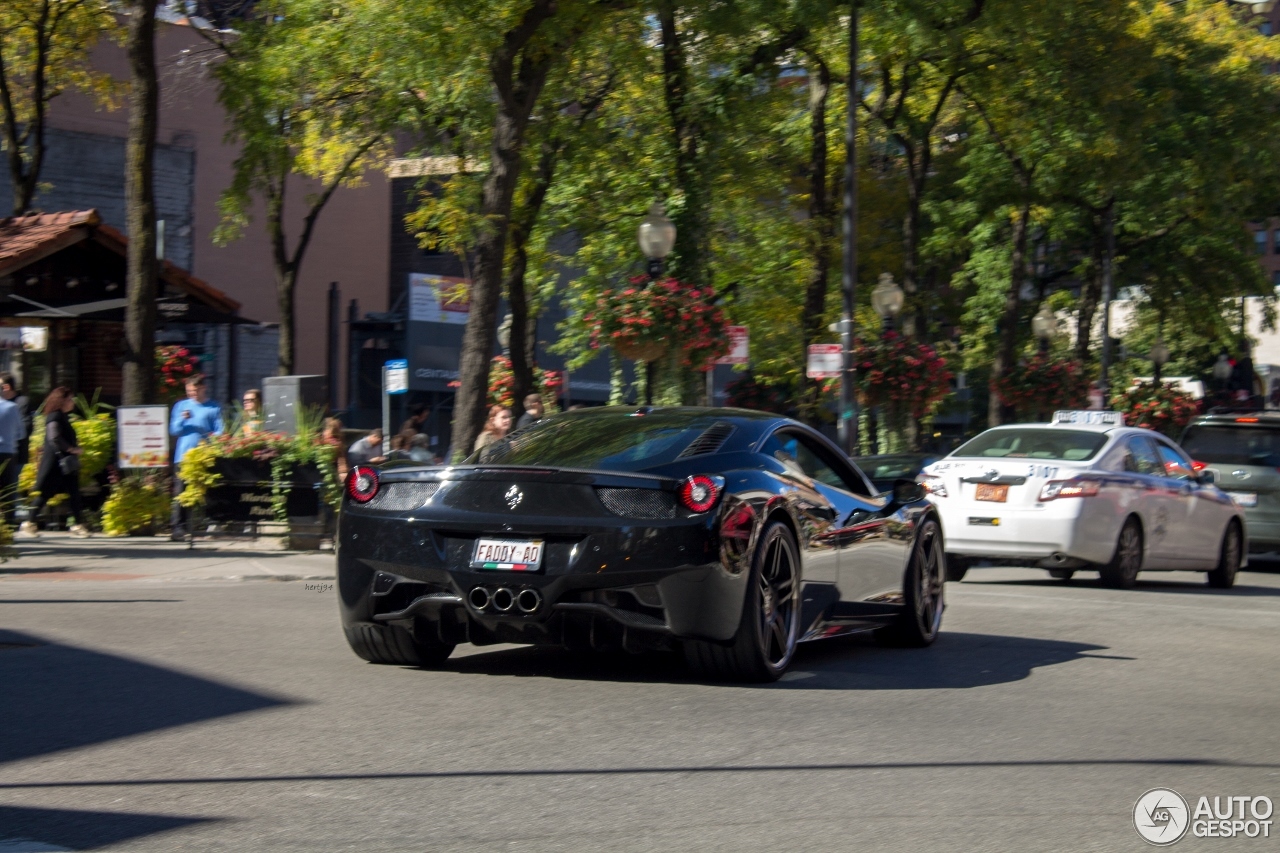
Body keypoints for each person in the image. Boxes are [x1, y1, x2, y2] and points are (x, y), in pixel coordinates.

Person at [21, 387, 89, 538]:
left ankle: (77, 525)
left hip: (64, 463)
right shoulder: (54, 416)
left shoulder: (62, 416)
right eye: (70, 399)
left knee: (73, 493)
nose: (72, 402)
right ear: (62, 400)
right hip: (57, 463)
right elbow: (54, 437)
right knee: (47, 493)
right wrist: (72, 449)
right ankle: (29, 523)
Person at [170, 375, 223, 538]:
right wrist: (181, 419)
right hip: (184, 456)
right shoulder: (181, 406)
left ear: (203, 388)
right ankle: (178, 527)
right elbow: (173, 430)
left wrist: (211, 438)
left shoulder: (213, 407)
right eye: (189, 391)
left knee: (207, 491)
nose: (191, 394)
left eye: (194, 390)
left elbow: (220, 431)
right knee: (181, 492)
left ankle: (209, 523)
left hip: (204, 455)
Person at [0, 385, 21, 525]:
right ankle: (9, 525)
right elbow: (21, 432)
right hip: (7, 452)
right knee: (8, 490)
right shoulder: (11, 407)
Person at [0, 374, 31, 470]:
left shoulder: (21, 402)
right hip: (8, 451)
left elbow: (26, 427)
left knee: (12, 483)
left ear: (6, 387)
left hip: (17, 454)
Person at [321, 418, 349, 482]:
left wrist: (343, 471)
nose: (324, 433)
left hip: (331, 469)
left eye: (327, 430)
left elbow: (341, 459)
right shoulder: (323, 440)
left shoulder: (335, 444)